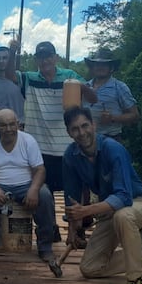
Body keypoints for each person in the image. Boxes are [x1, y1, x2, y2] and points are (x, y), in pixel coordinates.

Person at [62, 106, 142, 284]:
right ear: (68, 132)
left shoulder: (113, 148)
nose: (81, 133)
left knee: (123, 216)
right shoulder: (70, 156)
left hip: (140, 203)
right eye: (75, 129)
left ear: (94, 124)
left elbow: (124, 197)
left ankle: (136, 278)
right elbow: (72, 200)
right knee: (90, 269)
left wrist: (87, 211)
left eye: (85, 126)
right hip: (110, 211)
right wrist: (73, 231)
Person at [16, 41, 96, 241]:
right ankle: (50, 229)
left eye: (48, 56)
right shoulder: (30, 78)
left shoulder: (70, 75)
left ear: (55, 57)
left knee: (73, 192)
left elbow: (93, 99)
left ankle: (75, 233)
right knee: (45, 193)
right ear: (36, 59)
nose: (45, 60)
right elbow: (9, 75)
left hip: (68, 146)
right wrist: (12, 51)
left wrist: (80, 86)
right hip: (39, 146)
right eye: (40, 57)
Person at [0, 109, 55, 261]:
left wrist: (33, 189)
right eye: (4, 125)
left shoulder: (28, 140)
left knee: (44, 194)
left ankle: (45, 246)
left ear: (18, 124)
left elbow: (40, 169)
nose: (9, 129)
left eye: (12, 124)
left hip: (25, 184)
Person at [84, 47, 139, 143]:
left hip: (110, 140)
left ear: (112, 68)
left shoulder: (120, 87)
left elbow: (135, 115)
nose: (100, 67)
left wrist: (113, 118)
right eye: (97, 64)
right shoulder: (85, 87)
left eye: (104, 64)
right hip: (86, 139)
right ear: (93, 67)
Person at [0, 44, 25, 128]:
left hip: (17, 129)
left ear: (10, 60)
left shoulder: (21, 80)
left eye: (5, 58)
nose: (1, 61)